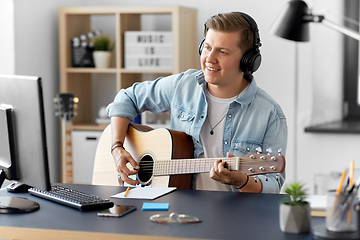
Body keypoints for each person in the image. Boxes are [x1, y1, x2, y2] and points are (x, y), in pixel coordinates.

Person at [106, 11, 287, 193]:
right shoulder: (182, 86)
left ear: (248, 61)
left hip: (235, 217)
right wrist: (117, 147)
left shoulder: (270, 114)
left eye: (222, 52)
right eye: (207, 47)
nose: (210, 58)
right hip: (179, 211)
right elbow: (127, 98)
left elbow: (272, 183)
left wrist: (241, 181)